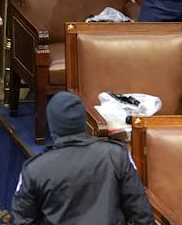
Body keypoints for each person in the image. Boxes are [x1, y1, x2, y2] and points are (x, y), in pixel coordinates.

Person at [10, 91, 154, 224]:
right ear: (83, 122)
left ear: (52, 124)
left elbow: (22, 220)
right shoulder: (117, 155)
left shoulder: (34, 170)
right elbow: (141, 214)